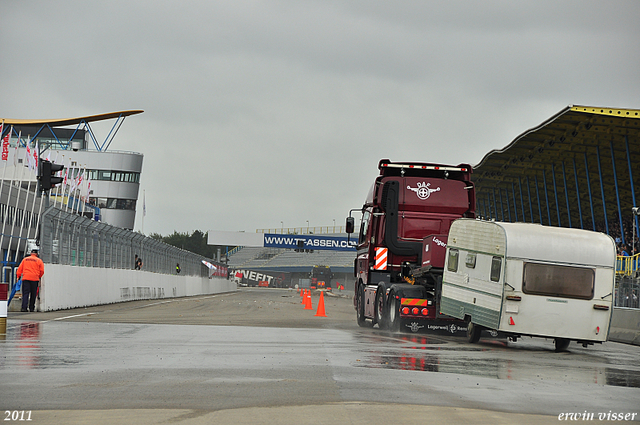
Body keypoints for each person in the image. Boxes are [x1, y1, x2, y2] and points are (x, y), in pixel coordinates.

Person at [16, 248, 45, 312]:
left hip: (26, 278)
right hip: (34, 279)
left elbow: (20, 269)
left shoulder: (25, 259)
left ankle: (24, 308)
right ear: (37, 254)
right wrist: (38, 276)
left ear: (31, 253)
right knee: (33, 294)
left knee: (25, 293)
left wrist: (18, 276)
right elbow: (42, 271)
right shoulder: (39, 260)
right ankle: (31, 307)